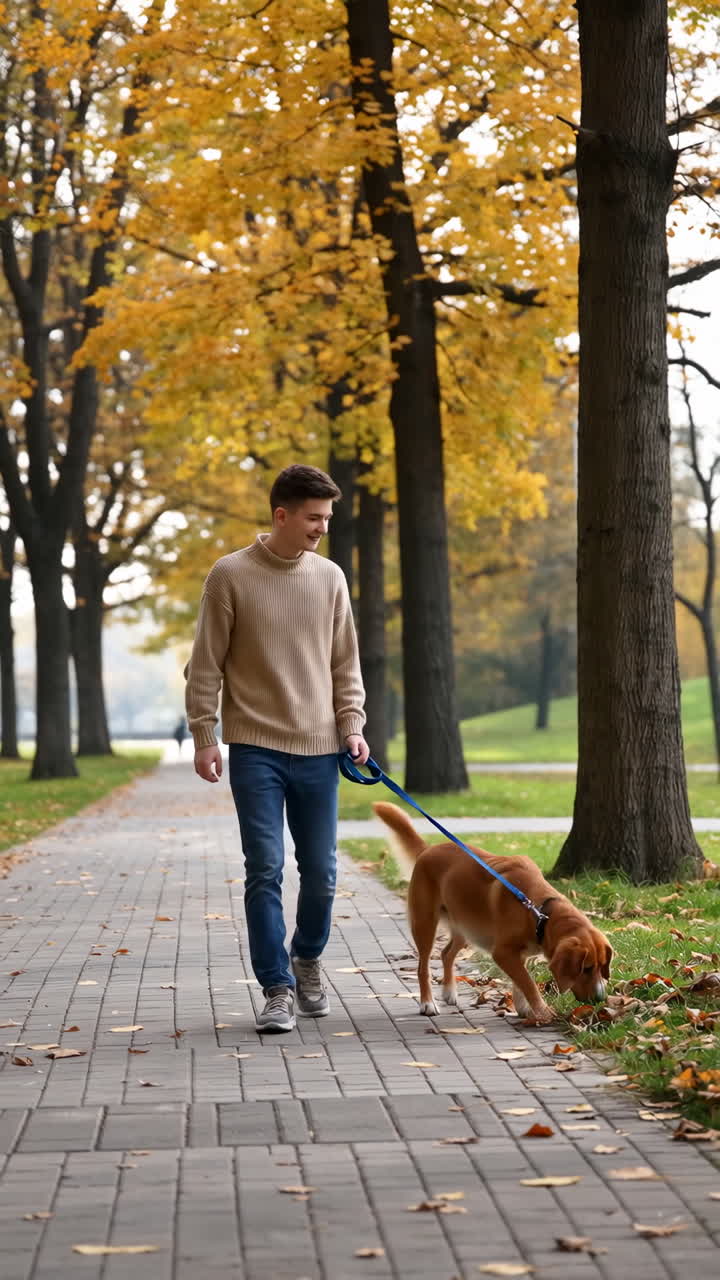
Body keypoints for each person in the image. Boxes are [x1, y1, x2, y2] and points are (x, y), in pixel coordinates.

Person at [185, 464, 369, 1033]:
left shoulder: (331, 578)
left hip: (319, 750)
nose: (322, 529)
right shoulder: (229, 575)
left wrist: (353, 725)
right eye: (314, 518)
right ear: (281, 516)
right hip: (255, 749)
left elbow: (345, 665)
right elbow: (205, 663)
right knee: (264, 868)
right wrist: (204, 735)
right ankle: (276, 987)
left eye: (327, 518)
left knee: (322, 873)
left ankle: (307, 957)